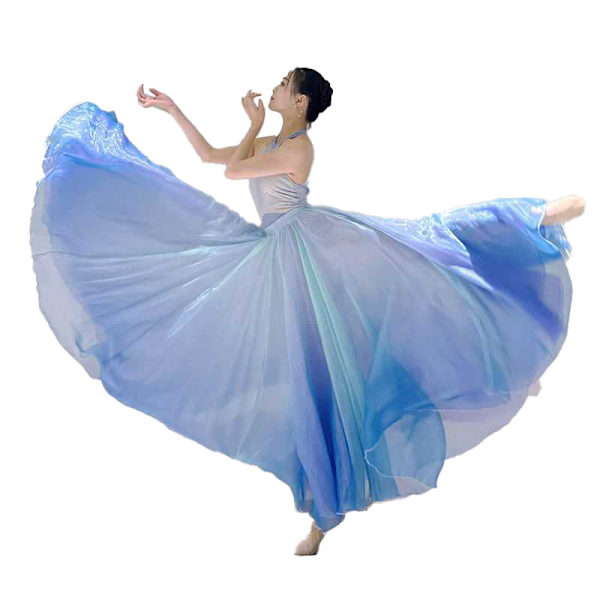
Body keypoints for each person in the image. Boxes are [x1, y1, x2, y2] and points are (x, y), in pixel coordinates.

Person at [31, 67, 584, 557]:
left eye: (282, 85)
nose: (272, 89)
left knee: (416, 253)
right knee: (307, 379)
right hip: (276, 252)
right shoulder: (274, 140)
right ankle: (324, 506)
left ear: (299, 102)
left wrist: (250, 124)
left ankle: (528, 223)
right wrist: (173, 110)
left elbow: (234, 173)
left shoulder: (298, 149)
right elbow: (211, 157)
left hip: (307, 251)